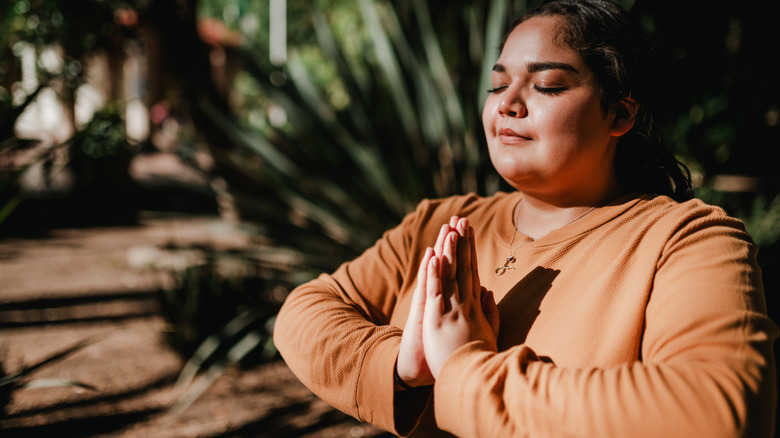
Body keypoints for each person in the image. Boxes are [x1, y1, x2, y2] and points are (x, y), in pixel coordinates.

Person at [273, 0, 778, 436]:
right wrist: (402, 367)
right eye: (498, 86)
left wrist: (464, 370)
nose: (508, 104)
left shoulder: (688, 241)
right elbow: (304, 312)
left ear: (620, 115)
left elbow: (718, 411)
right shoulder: (442, 221)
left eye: (548, 85)